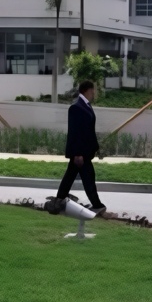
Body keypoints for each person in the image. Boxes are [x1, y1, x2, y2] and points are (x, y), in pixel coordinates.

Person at [48, 80, 106, 216]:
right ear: (87, 90)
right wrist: (78, 153)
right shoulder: (76, 107)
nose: (94, 93)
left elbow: (88, 130)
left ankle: (58, 201)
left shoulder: (86, 106)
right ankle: (97, 205)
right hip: (80, 153)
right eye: (93, 90)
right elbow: (75, 132)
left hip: (84, 151)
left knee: (70, 177)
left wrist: (96, 147)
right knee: (88, 178)